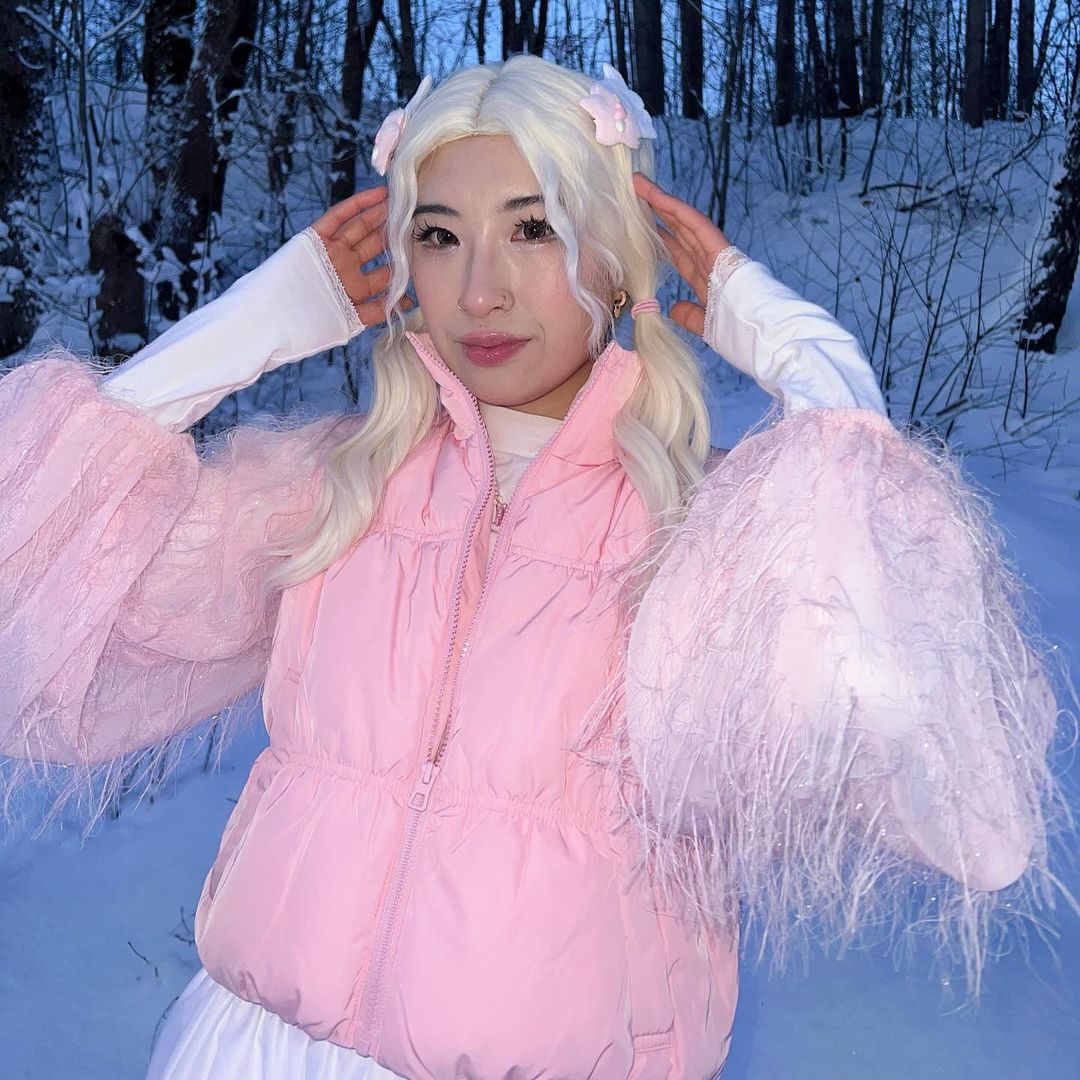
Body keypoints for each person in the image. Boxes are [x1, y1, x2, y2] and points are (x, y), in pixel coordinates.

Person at [0, 55, 1069, 1080]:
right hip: (254, 1053)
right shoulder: (333, 488)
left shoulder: (701, 536)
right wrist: (243, 332)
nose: (481, 290)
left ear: (614, 253)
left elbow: (965, 822)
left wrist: (816, 371)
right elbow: (28, 611)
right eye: (439, 236)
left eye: (535, 228)